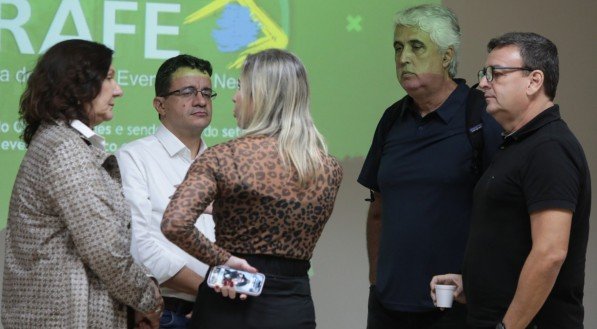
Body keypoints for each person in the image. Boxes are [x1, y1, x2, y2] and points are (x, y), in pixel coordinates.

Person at [161, 48, 343, 329]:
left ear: (261, 97)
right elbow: (276, 217)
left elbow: (174, 223)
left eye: (239, 87)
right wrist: (225, 207)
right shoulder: (329, 168)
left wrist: (226, 261)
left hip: (230, 301)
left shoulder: (224, 157)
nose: (234, 97)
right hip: (293, 308)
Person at [431, 32, 591, 329]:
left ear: (534, 81)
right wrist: (475, 285)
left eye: (496, 74)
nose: (483, 83)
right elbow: (511, 243)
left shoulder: (550, 148)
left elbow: (550, 253)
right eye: (484, 73)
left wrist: (508, 327)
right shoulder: (517, 145)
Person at [358, 4, 503, 329]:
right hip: (388, 308)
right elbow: (378, 207)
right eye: (398, 47)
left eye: (416, 46)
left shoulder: (481, 117)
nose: (403, 58)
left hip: (458, 308)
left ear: (447, 56)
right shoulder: (392, 119)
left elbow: (508, 214)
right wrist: (376, 280)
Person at [1, 39, 163, 329]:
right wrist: (149, 299)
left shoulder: (57, 139)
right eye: (109, 78)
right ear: (77, 85)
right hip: (66, 318)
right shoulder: (66, 149)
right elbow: (105, 251)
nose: (119, 90)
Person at [116, 55, 216, 329]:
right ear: (160, 105)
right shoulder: (134, 156)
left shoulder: (222, 161)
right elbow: (138, 245)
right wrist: (211, 294)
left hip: (223, 310)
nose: (200, 100)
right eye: (187, 92)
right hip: (167, 312)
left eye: (206, 92)